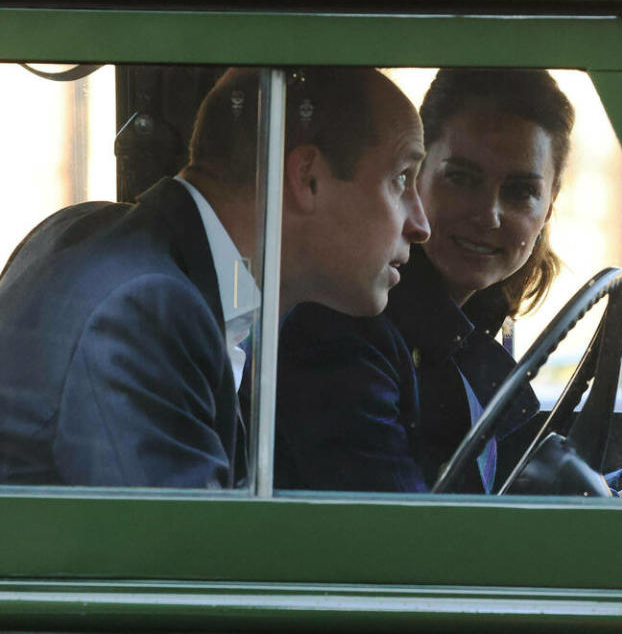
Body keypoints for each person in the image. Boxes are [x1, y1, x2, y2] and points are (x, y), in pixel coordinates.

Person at [276, 68, 622, 498]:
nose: (488, 214)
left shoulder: (478, 324)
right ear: (414, 177)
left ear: (548, 208)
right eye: (461, 178)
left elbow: (507, 488)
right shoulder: (347, 336)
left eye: (519, 191)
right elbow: (409, 548)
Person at [0, 66, 429, 488]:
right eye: (401, 179)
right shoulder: (148, 311)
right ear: (307, 178)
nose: (420, 225)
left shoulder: (89, 232)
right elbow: (180, 554)